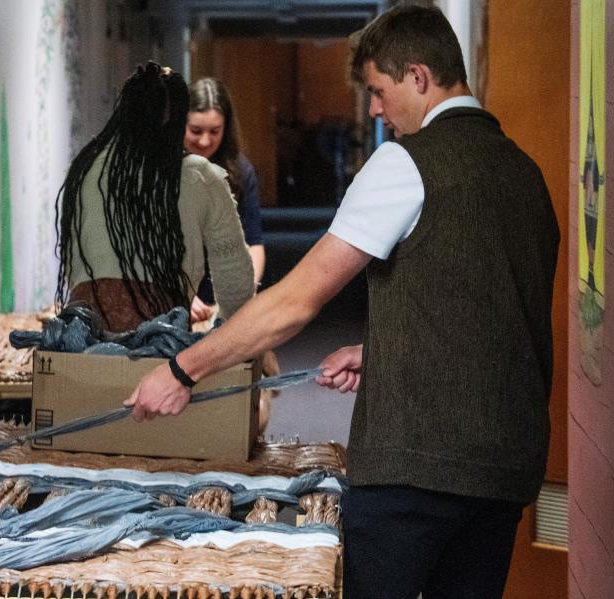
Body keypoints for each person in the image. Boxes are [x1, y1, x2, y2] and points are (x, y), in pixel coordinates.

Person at [126, 6, 559, 598]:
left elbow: (295, 303)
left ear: (419, 76)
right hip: (507, 469)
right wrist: (384, 351)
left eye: (379, 91)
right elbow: (491, 310)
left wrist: (183, 370)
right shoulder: (526, 173)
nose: (375, 110)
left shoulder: (406, 162)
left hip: (415, 471)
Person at [56, 62, 254, 332]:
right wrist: (229, 335)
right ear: (179, 120)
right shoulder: (200, 177)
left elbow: (71, 257)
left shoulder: (85, 167)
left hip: (85, 332)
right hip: (160, 340)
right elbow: (234, 279)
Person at [183, 77, 265, 326]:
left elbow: (254, 243)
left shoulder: (240, 171)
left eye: (214, 131)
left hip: (224, 296)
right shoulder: (162, 170)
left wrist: (243, 293)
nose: (205, 141)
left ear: (226, 128)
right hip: (173, 298)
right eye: (195, 131)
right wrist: (178, 293)